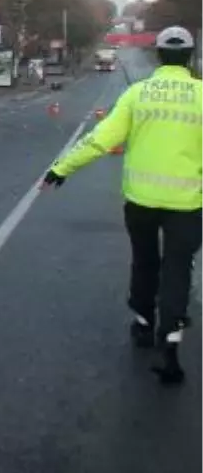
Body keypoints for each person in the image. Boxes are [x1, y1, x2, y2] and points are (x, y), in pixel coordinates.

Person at [42, 26, 203, 385]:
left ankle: (144, 322)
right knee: (179, 268)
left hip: (141, 201)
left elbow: (101, 139)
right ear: (190, 57)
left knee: (145, 261)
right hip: (188, 204)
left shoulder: (138, 94)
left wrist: (61, 168)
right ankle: (172, 340)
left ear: (159, 55)